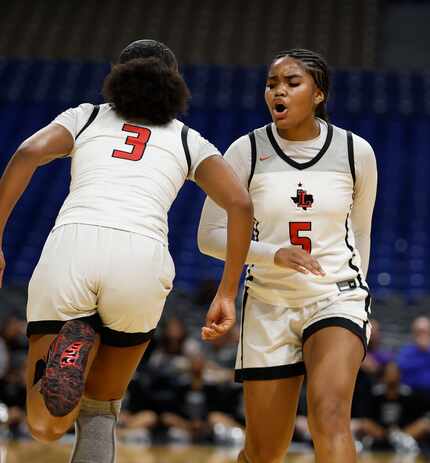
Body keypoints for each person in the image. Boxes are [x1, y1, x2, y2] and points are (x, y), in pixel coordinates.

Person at [0, 39, 253, 462]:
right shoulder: (189, 139)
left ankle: (72, 349)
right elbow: (241, 204)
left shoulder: (86, 117)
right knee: (102, 409)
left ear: (118, 76)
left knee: (45, 426)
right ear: (174, 84)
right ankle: (86, 368)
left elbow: (27, 154)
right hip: (142, 258)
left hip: (73, 247)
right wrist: (227, 292)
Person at [198, 48, 377, 463]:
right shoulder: (244, 150)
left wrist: (359, 290)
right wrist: (273, 254)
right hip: (268, 301)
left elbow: (362, 230)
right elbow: (209, 236)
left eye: (291, 83)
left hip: (336, 296)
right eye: (272, 83)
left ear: (318, 94)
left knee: (329, 416)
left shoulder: (356, 152)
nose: (278, 91)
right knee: (264, 450)